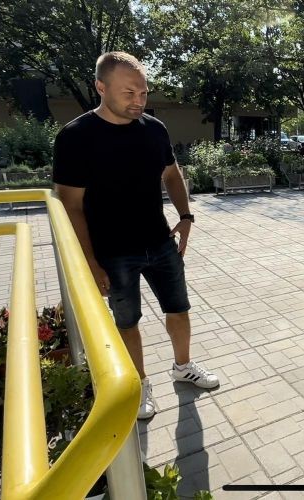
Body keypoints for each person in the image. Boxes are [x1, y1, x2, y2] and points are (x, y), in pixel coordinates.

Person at [53, 51, 219, 420]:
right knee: (127, 321)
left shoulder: (154, 129)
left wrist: (186, 216)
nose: (138, 101)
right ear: (101, 87)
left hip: (160, 242)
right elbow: (71, 206)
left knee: (179, 310)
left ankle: (183, 367)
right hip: (112, 252)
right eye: (129, 93)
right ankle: (140, 384)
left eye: (143, 93)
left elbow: (171, 174)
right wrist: (90, 262)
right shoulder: (75, 137)